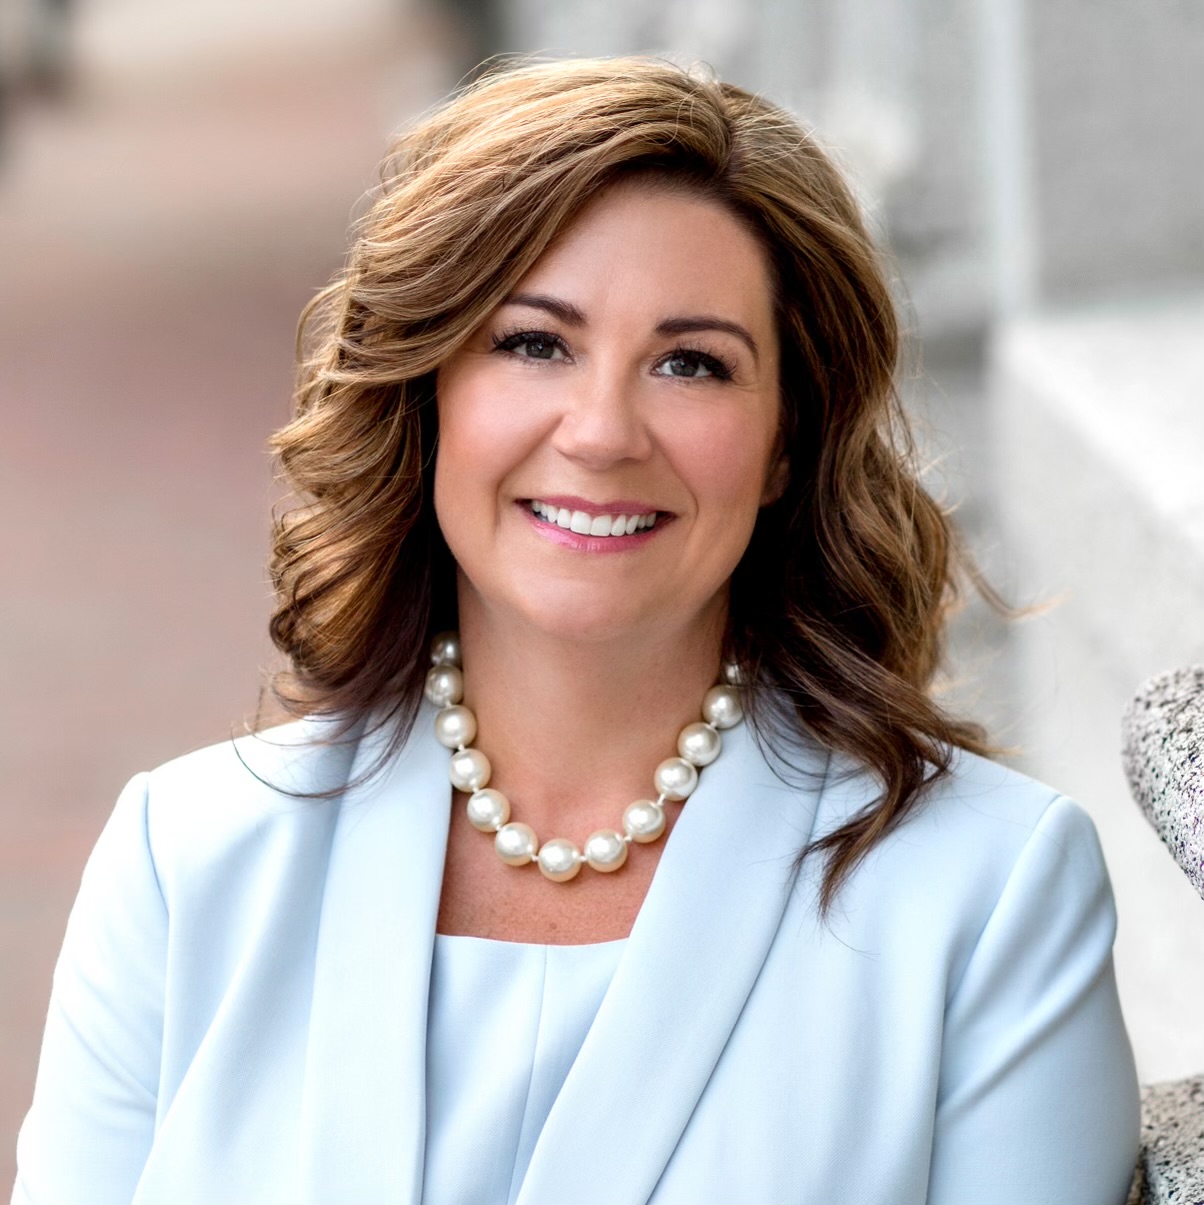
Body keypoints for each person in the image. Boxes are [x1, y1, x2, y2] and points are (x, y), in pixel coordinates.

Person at [13, 56, 1139, 1205]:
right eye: (534, 343)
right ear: (428, 388)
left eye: (691, 363)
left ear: (785, 445)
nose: (601, 431)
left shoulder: (987, 894)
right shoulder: (183, 863)